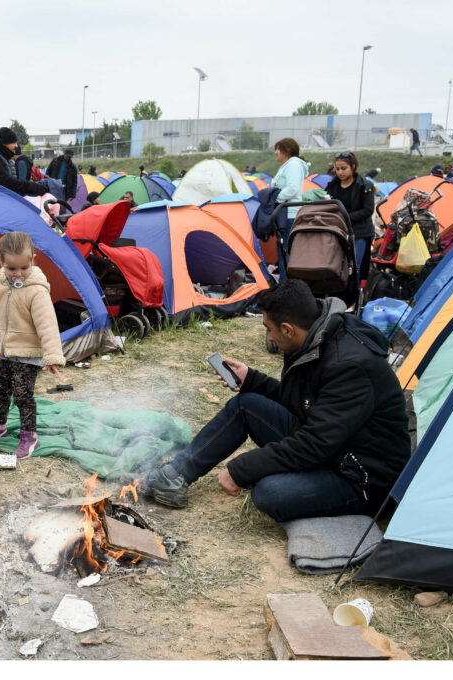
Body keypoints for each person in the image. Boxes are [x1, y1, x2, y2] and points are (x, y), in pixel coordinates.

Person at [141, 280, 411, 520]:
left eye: (269, 330)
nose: (269, 338)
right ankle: (175, 475)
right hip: (334, 447)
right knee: (246, 404)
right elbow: (307, 404)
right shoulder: (316, 337)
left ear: (288, 329)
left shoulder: (350, 367)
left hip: (361, 477)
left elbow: (313, 444)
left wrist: (240, 469)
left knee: (270, 492)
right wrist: (254, 380)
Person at [0, 231, 65, 458]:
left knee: (23, 396)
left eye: (24, 267)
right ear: (1, 261)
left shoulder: (36, 290)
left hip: (27, 355)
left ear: (33, 259)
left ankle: (28, 435)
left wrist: (52, 356)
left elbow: (48, 325)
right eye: (12, 268)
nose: (19, 273)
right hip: (5, 354)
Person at [324, 151, 375, 282]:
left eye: (344, 168)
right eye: (338, 169)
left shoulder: (364, 185)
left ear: (353, 167)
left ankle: (354, 297)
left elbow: (368, 209)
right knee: (336, 265)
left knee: (355, 266)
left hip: (359, 232)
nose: (340, 172)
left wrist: (346, 217)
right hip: (337, 231)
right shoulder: (333, 185)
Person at [269, 137, 310, 268]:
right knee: (282, 250)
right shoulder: (288, 166)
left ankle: (287, 283)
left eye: (278, 149)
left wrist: (274, 198)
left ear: (287, 150)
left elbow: (292, 188)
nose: (276, 152)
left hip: (289, 214)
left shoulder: (293, 165)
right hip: (284, 212)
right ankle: (285, 282)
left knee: (285, 250)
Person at [0, 127, 48, 197]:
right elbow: (6, 183)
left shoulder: (4, 157)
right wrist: (32, 187)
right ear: (4, 143)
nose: (16, 146)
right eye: (13, 143)